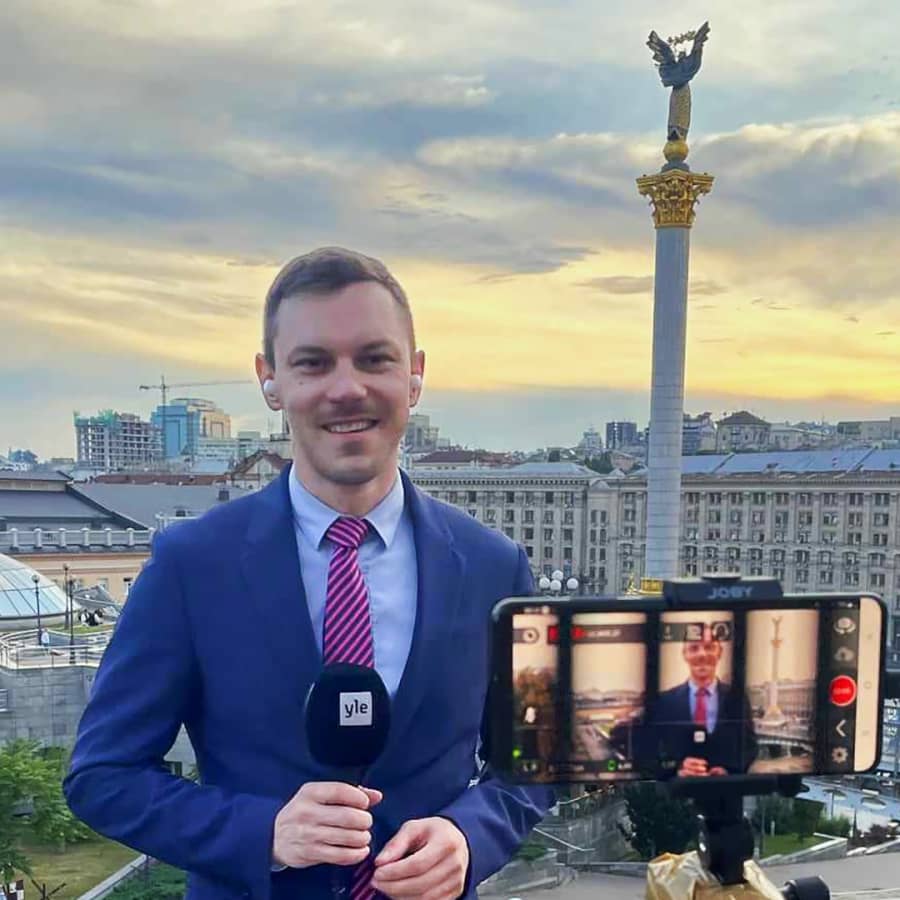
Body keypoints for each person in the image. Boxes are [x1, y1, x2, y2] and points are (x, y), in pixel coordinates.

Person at [64, 247, 553, 900]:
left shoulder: (493, 565)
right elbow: (103, 775)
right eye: (313, 362)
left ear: (415, 374)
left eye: (374, 359)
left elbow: (536, 763)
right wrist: (262, 832)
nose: (346, 388)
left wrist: (470, 835)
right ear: (270, 380)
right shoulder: (193, 564)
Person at [643, 625, 757, 777]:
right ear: (685, 654)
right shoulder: (664, 702)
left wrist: (727, 770)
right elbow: (650, 752)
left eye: (709, 647)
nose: (702, 654)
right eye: (694, 648)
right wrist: (677, 769)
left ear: (719, 652)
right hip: (678, 790)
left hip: (725, 789)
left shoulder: (737, 698)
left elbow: (749, 748)